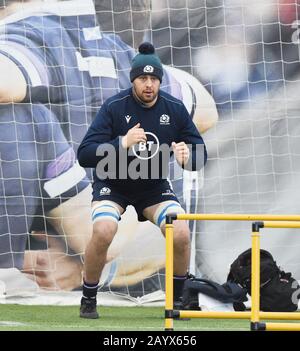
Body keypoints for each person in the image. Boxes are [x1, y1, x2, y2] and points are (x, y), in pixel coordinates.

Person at [0, 0, 217, 293]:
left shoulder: (33, 38)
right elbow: (205, 108)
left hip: (112, 270)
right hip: (114, 267)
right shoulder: (121, 61)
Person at [77, 42, 207, 318]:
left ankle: (177, 298)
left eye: (153, 79)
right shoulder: (114, 106)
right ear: (133, 80)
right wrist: (122, 142)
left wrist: (188, 157)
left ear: (159, 81)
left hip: (153, 187)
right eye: (142, 79)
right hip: (114, 184)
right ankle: (88, 297)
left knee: (180, 231)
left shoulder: (174, 108)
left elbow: (198, 152)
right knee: (103, 231)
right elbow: (84, 154)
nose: (148, 85)